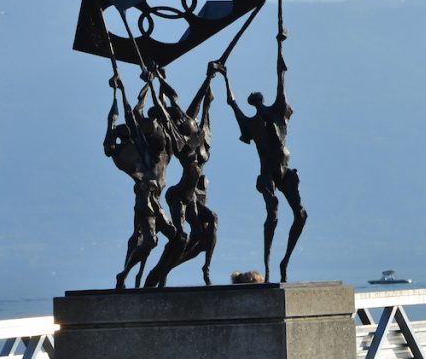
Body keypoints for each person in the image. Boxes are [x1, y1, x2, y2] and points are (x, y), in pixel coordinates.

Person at [214, 28, 308, 283]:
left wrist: (280, 45)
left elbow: (281, 76)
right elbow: (231, 103)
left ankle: (284, 261)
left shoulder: (277, 111)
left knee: (301, 214)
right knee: (273, 211)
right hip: (267, 172)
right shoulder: (252, 124)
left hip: (285, 171)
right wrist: (224, 76)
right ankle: (267, 268)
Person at [142, 66, 221, 287]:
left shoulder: (192, 125)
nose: (177, 113)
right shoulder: (178, 141)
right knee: (181, 237)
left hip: (191, 196)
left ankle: (205, 268)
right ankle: (159, 275)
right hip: (178, 196)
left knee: (210, 222)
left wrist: (209, 77)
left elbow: (192, 99)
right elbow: (165, 111)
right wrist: (153, 82)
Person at [103, 76, 174, 289]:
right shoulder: (131, 154)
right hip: (145, 199)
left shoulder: (162, 152)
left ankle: (157, 277)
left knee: (177, 237)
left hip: (156, 200)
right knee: (150, 241)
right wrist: (120, 92)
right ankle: (123, 275)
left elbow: (160, 116)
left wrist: (155, 82)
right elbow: (129, 115)